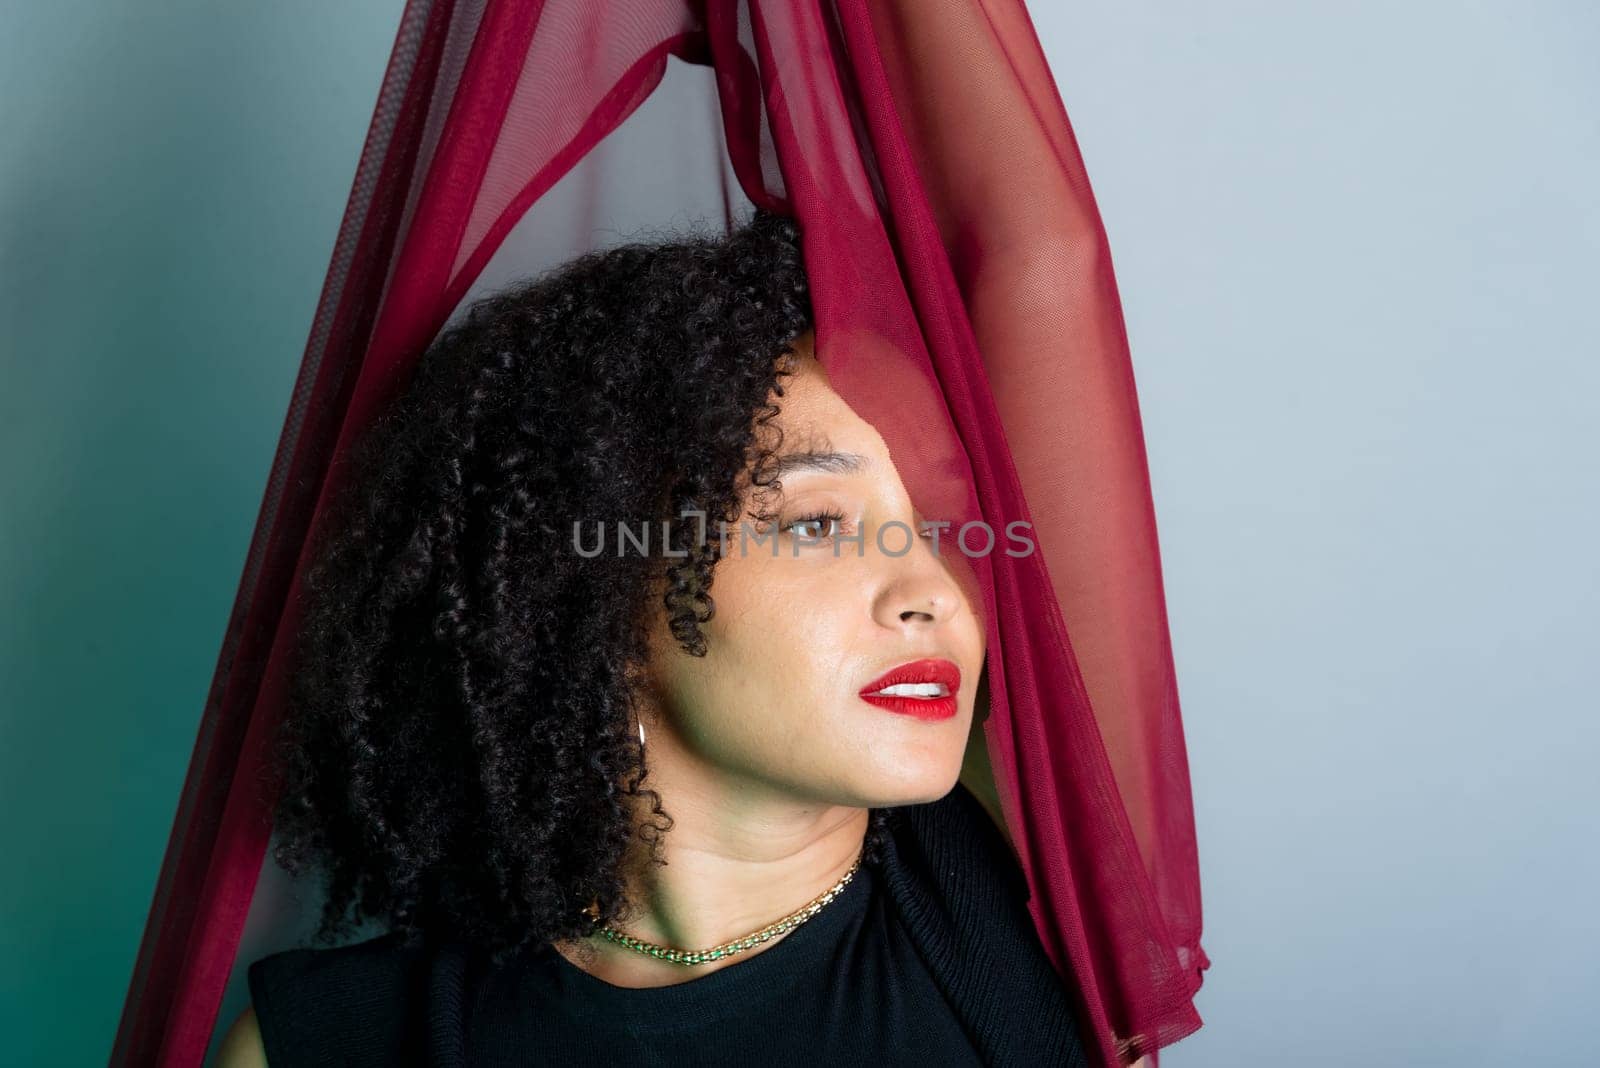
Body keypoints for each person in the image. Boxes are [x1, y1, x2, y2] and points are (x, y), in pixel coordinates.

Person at [215, 210, 1089, 1066]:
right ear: (604, 595)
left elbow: (1044, 252)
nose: (930, 591)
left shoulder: (1045, 899)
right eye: (820, 524)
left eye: (944, 525)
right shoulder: (327, 1041)